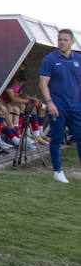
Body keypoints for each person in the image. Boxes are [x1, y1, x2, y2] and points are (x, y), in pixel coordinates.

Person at [39, 28, 81, 183]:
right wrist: (50, 103)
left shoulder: (78, 59)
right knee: (56, 139)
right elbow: (43, 83)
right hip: (57, 108)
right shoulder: (49, 59)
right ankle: (57, 171)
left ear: (72, 42)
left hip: (76, 107)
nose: (62, 42)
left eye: (65, 40)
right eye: (59, 39)